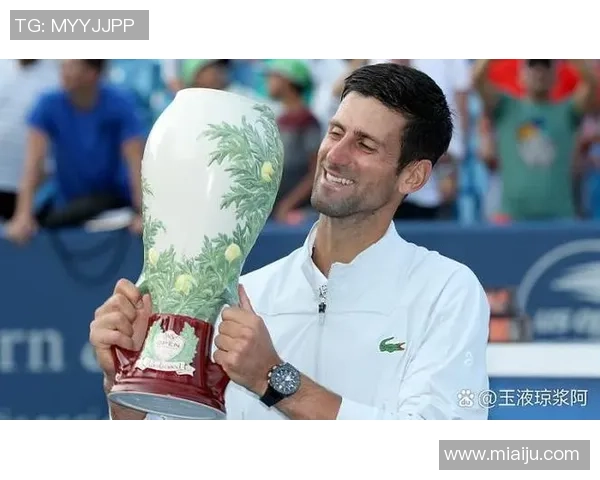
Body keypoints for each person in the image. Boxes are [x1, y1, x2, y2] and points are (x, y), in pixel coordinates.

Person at [90, 63, 490, 421]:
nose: (335, 155)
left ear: (414, 176)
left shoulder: (446, 291)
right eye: (335, 132)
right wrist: (125, 389)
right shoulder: (242, 297)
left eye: (365, 145)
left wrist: (274, 378)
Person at [4, 59, 145, 244]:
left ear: (92, 73)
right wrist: (23, 215)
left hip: (115, 202)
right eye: (63, 66)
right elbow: (33, 164)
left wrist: (143, 214)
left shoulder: (121, 104)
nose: (64, 71)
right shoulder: (47, 104)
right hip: (66, 206)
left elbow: (135, 162)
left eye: (71, 66)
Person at [472, 59, 597, 221]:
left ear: (556, 75)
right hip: (512, 217)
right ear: (520, 75)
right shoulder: (506, 106)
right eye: (533, 66)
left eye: (545, 66)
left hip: (560, 217)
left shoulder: (568, 111)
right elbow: (478, 79)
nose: (539, 73)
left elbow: (591, 84)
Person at [265, 59, 321, 225]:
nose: (268, 81)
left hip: (295, 215)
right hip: (275, 211)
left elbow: (315, 172)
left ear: (288, 80)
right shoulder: (278, 120)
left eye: (273, 76)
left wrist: (288, 205)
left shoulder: (308, 121)